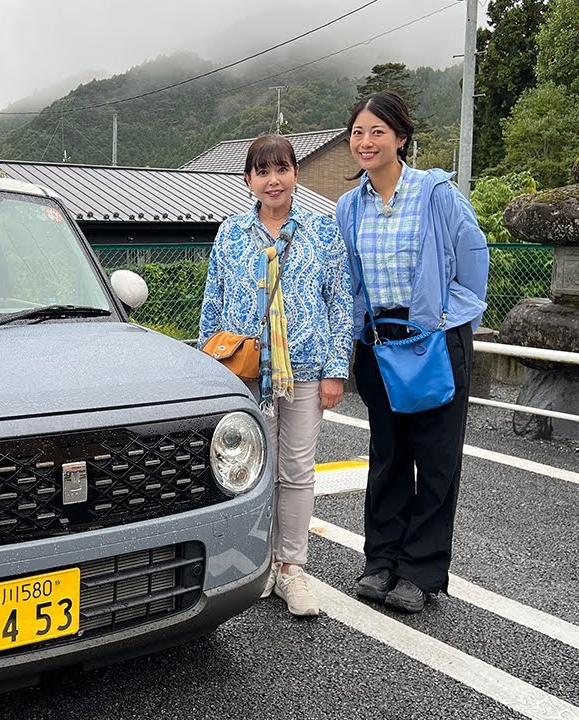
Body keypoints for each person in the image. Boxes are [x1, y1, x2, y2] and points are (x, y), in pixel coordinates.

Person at [334, 91, 489, 613]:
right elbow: (347, 279)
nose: (365, 141)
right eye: (358, 132)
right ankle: (381, 560)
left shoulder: (435, 192)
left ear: (402, 138)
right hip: (379, 342)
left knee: (437, 458)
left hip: (436, 342)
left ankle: (421, 571)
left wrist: (447, 319)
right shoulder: (348, 205)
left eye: (378, 131)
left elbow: (473, 260)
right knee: (388, 456)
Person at [198, 134, 354, 617]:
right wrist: (209, 368)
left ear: (295, 174)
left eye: (281, 169)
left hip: (305, 368)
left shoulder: (322, 232)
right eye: (262, 171)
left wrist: (335, 370)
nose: (273, 179)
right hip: (244, 373)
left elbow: (340, 302)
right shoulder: (231, 233)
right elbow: (214, 302)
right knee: (249, 471)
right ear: (248, 180)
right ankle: (258, 563)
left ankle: (292, 567)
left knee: (297, 471)